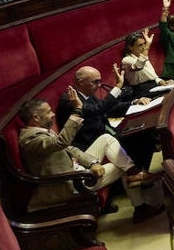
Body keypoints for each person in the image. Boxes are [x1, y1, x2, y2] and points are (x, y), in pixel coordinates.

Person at [18, 93, 158, 219]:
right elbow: (61, 142)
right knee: (120, 166)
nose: (53, 114)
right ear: (36, 117)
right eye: (48, 112)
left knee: (106, 138)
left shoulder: (40, 131)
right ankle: (141, 208)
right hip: (68, 183)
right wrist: (77, 112)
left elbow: (70, 148)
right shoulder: (30, 138)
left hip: (75, 168)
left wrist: (92, 163)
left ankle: (133, 173)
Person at [54, 66, 163, 220]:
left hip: (102, 136)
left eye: (100, 81)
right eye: (95, 82)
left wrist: (134, 102)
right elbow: (97, 110)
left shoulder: (86, 94)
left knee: (141, 139)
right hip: (87, 148)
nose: (99, 85)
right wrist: (118, 87)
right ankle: (137, 184)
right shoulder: (70, 100)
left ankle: (138, 193)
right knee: (129, 149)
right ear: (79, 82)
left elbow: (108, 110)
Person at [120, 29, 160, 97]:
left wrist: (160, 81)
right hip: (141, 90)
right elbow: (139, 66)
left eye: (144, 43)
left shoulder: (142, 55)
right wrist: (148, 44)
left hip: (154, 85)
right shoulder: (126, 60)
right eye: (140, 45)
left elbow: (150, 75)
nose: (144, 47)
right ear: (130, 47)